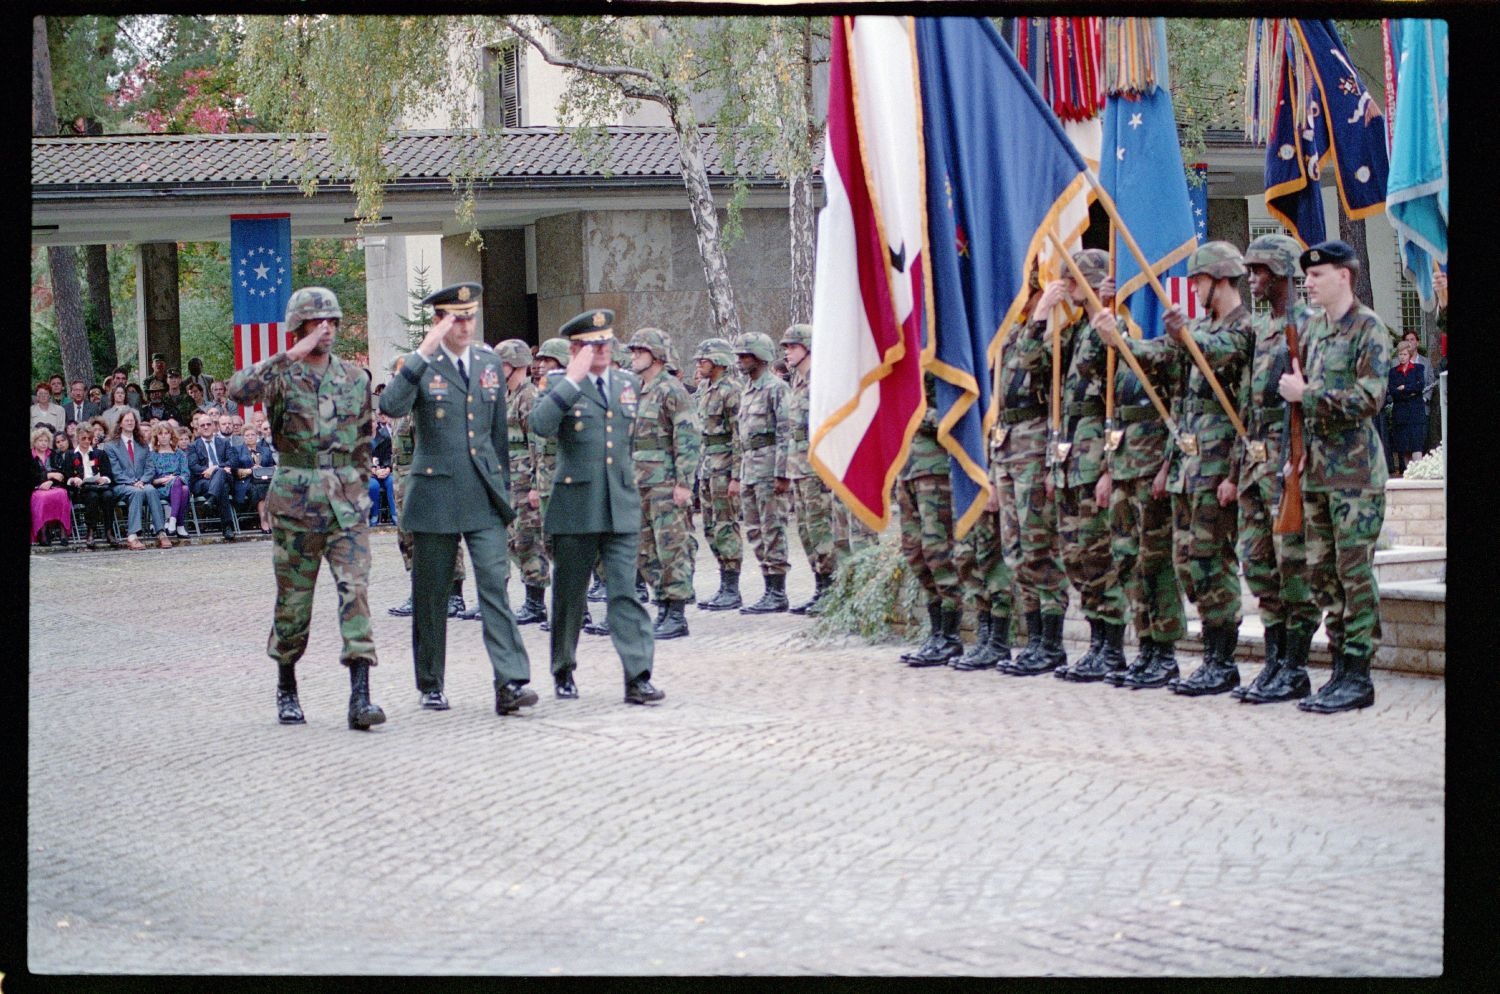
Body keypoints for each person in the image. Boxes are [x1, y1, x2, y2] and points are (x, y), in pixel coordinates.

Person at [228, 286, 385, 730]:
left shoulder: (355, 377)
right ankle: (287, 687)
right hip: (296, 503)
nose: (327, 329)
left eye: (333, 322)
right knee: (294, 604)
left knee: (355, 592)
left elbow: (363, 441)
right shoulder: (282, 375)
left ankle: (361, 698)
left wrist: (363, 492)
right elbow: (239, 390)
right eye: (318, 322)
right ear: (299, 327)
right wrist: (291, 354)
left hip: (347, 505)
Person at [378, 282, 538, 717]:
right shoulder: (422, 364)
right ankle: (431, 682)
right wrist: (422, 353)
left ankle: (510, 681)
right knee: (431, 594)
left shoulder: (489, 362)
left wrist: (503, 491)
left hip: (482, 494)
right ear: (439, 321)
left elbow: (498, 436)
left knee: (494, 583)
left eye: (470, 316)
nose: (466, 324)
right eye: (456, 317)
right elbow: (391, 406)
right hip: (434, 494)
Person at [1132, 241, 1255, 696]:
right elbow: (1173, 380)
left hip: (1219, 466)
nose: (1195, 289)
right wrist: (1120, 342)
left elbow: (1220, 352)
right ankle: (1209, 655)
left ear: (1221, 279)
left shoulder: (1243, 329)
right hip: (1189, 466)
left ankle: (1223, 660)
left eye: (1200, 281)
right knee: (1187, 563)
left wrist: (1233, 476)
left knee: (1211, 561)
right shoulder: (1200, 329)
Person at [1278, 239, 1391, 714]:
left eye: (1317, 275)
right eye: (1307, 276)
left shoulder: (1369, 328)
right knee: (1322, 574)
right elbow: (1299, 409)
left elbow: (1370, 397)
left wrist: (1309, 394)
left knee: (1353, 573)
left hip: (1357, 474)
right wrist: (1293, 453)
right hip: (1318, 472)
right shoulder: (1314, 331)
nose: (1308, 283)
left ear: (1343, 276)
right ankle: (1340, 669)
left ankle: (1359, 673)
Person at [529, 308, 664, 704]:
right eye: (592, 344)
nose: (602, 350)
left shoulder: (627, 383)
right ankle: (564, 669)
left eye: (606, 343)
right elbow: (540, 425)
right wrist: (572, 378)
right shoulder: (559, 383)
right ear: (575, 349)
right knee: (571, 594)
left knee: (625, 591)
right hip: (576, 504)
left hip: (619, 502)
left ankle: (637, 675)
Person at [1226, 234, 1319, 703]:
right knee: (1260, 564)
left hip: (1288, 460)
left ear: (1282, 273)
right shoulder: (1261, 330)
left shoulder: (1308, 326)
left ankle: (1296, 666)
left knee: (1293, 565)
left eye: (1259, 271)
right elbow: (1245, 399)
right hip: (1255, 458)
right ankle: (1275, 658)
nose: (1252, 279)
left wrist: (1298, 462)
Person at [1034, 251, 1130, 681]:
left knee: (1097, 555)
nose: (1066, 289)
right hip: (1073, 461)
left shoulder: (1112, 329)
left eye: (1072, 282)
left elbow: (1124, 400)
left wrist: (1112, 468)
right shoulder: (1076, 335)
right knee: (1076, 557)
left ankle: (1112, 646)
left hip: (1097, 461)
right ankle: (1096, 642)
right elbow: (1040, 373)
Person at [994, 282, 1071, 676]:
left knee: (1040, 543)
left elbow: (1034, 368)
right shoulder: (1009, 334)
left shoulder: (1053, 334)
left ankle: (1053, 643)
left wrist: (1040, 321)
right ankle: (1035, 638)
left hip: (1035, 442)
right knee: (1015, 549)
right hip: (1006, 445)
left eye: (1028, 293)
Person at [383, 353, 473, 620]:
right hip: (403, 482)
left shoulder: (426, 407)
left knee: (444, 537)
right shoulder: (402, 409)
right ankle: (419, 593)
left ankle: (455, 596)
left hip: (424, 481)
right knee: (408, 539)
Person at [626, 328, 701, 639]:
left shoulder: (672, 390)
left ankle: (677, 612)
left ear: (656, 355)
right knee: (646, 549)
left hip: (666, 484)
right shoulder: (638, 390)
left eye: (639, 352)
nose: (633, 357)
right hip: (640, 483)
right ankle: (662, 606)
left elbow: (687, 438)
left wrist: (684, 483)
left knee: (672, 547)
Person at [895, 372, 970, 666]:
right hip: (908, 469)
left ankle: (950, 637)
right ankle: (937, 632)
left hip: (935, 468)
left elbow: (957, 416)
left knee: (938, 553)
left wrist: (915, 412)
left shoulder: (945, 362)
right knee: (915, 554)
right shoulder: (907, 364)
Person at [779, 323, 840, 615]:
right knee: (805, 531)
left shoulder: (821, 382)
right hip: (798, 468)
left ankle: (832, 590)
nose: (787, 352)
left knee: (821, 530)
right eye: (785, 348)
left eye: (792, 346)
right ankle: (820, 586)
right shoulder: (798, 382)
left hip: (817, 469)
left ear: (808, 348)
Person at [732, 332, 792, 614]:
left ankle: (778, 591)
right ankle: (768, 585)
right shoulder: (747, 389)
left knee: (773, 527)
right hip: (749, 468)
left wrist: (782, 472)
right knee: (754, 529)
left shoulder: (776, 388)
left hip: (769, 467)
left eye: (745, 355)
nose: (740, 361)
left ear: (760, 357)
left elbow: (785, 432)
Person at [496, 339, 550, 626]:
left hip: (524, 480)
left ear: (515, 365)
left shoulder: (528, 396)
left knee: (528, 541)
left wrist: (534, 485)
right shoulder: (507, 395)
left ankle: (535, 602)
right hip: (509, 480)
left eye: (502, 363)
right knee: (513, 541)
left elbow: (537, 442)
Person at [692, 337, 745, 611]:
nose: (699, 363)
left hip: (724, 467)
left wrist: (737, 475)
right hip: (707, 466)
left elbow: (739, 435)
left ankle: (732, 588)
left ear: (719, 361)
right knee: (711, 527)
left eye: (705, 358)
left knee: (726, 525)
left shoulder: (731, 390)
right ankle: (723, 583)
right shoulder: (704, 389)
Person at [104, 410, 171, 550]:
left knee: (151, 490)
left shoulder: (142, 444)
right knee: (136, 492)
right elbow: (115, 472)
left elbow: (150, 469)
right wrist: (133, 482)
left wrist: (142, 480)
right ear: (120, 424)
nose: (130, 423)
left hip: (142, 483)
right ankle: (132, 536)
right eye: (127, 420)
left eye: (132, 420)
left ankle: (161, 532)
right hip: (121, 485)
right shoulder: (111, 445)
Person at [62, 422, 116, 549]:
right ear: (77, 438)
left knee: (109, 495)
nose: (87, 441)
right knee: (92, 497)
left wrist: (104, 479)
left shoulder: (99, 453)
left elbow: (109, 475)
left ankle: (109, 531)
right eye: (83, 438)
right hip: (82, 490)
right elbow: (66, 476)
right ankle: (90, 532)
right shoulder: (70, 455)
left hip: (99, 486)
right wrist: (74, 479)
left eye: (89, 438)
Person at [187, 412, 238, 541]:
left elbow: (233, 461)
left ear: (214, 426)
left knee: (220, 473)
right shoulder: (193, 446)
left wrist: (214, 468)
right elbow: (193, 466)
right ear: (198, 428)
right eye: (202, 425)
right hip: (202, 481)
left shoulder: (224, 442)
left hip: (222, 477)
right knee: (223, 487)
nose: (205, 427)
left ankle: (211, 499)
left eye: (208, 424)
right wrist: (209, 471)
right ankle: (227, 527)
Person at [1387, 339, 1426, 475]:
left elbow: (1420, 386)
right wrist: (1410, 392)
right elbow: (1393, 391)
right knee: (1404, 448)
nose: (1402, 357)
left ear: (1409, 355)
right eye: (1400, 354)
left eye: (1404, 354)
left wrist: (1404, 388)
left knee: (1416, 446)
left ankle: (1419, 475)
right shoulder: (1393, 372)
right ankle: (1409, 475)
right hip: (1401, 415)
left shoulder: (1418, 369)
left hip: (1415, 414)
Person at [30, 428, 74, 546]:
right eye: (40, 440)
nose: (43, 443)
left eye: (46, 440)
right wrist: (48, 475)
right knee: (41, 498)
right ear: (34, 442)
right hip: (36, 488)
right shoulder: (30, 455)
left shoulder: (54, 454)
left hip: (54, 486)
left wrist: (51, 481)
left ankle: (63, 531)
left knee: (62, 494)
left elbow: (62, 473)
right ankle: (43, 531)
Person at [149, 422, 192, 539]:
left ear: (171, 435)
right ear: (156, 436)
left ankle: (172, 520)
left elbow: (186, 474)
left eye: (166, 433)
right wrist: (162, 480)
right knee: (183, 488)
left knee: (183, 486)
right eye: (160, 433)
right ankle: (179, 525)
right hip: (159, 488)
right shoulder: (152, 455)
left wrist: (174, 479)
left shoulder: (180, 454)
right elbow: (149, 477)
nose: (163, 436)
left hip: (177, 485)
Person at [234, 423, 276, 533]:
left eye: (253, 434)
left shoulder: (266, 450)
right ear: (243, 437)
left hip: (266, 480)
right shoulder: (236, 450)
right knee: (260, 488)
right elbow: (234, 471)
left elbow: (272, 467)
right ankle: (264, 521)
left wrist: (262, 470)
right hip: (246, 482)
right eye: (247, 435)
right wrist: (251, 470)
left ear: (257, 436)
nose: (250, 437)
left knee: (267, 487)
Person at [367, 410, 397, 525]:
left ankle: (395, 515)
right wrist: (372, 470)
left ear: (376, 422)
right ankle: (374, 515)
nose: (370, 424)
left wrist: (388, 468)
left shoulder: (385, 436)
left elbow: (390, 456)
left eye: (373, 421)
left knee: (392, 482)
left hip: (385, 471)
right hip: (370, 474)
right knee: (373, 486)